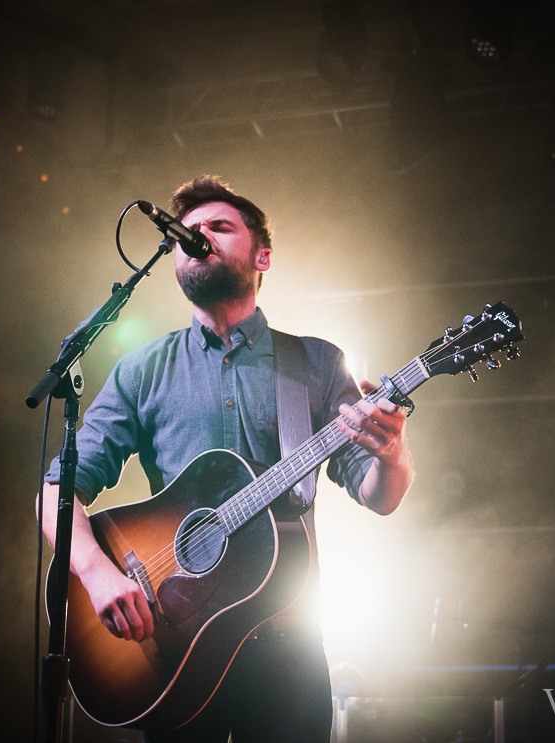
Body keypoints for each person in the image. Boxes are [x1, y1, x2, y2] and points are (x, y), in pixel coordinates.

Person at [37, 175, 414, 742]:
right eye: (187, 232)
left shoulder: (314, 362)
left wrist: (393, 450)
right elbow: (55, 492)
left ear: (262, 255)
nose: (198, 237)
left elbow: (380, 497)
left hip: (286, 644)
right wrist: (97, 574)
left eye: (218, 227)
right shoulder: (143, 369)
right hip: (174, 647)